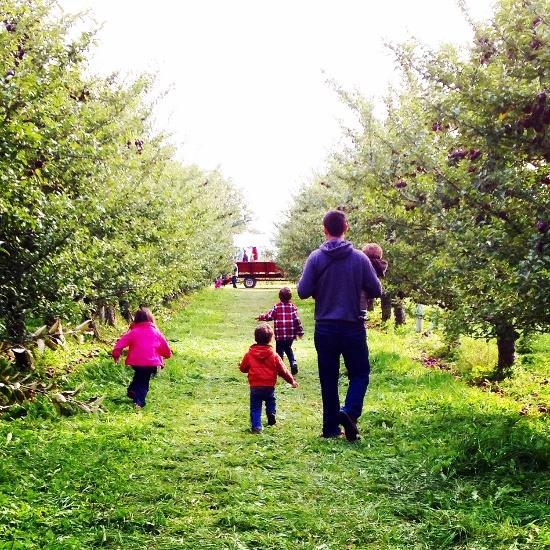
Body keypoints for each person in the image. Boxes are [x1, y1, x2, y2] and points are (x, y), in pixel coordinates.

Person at [297, 209, 382, 441]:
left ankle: (331, 429)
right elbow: (377, 289)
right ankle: (349, 412)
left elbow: (303, 291)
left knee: (328, 377)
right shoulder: (360, 258)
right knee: (360, 373)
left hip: (325, 327)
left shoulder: (315, 258)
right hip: (353, 327)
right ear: (346, 228)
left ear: (324, 230)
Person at [239, 322, 298, 433]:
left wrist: (240, 365)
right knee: (271, 399)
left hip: (255, 386)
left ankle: (257, 427)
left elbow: (243, 369)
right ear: (271, 339)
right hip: (269, 385)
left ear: (255, 338)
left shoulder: (249, 354)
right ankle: (271, 414)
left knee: (255, 407)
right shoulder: (274, 355)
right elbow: (283, 370)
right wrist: (292, 381)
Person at [112, 307, 172, 408]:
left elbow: (120, 344)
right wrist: (167, 355)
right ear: (151, 318)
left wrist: (116, 355)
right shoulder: (155, 332)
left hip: (136, 362)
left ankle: (133, 391)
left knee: (139, 376)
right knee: (143, 382)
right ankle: (139, 402)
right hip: (151, 363)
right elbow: (164, 347)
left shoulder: (133, 332)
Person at [256, 286, 304, 375]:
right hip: (290, 334)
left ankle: (280, 367)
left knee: (279, 351)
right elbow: (297, 320)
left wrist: (261, 317)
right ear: (290, 297)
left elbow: (270, 316)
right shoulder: (292, 307)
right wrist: (300, 332)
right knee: (288, 348)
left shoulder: (277, 307)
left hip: (280, 334)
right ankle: (293, 362)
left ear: (280, 297)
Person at [360, 243, 388, 318]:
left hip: (357, 304)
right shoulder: (379, 266)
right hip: (362, 306)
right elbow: (376, 291)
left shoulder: (363, 265)